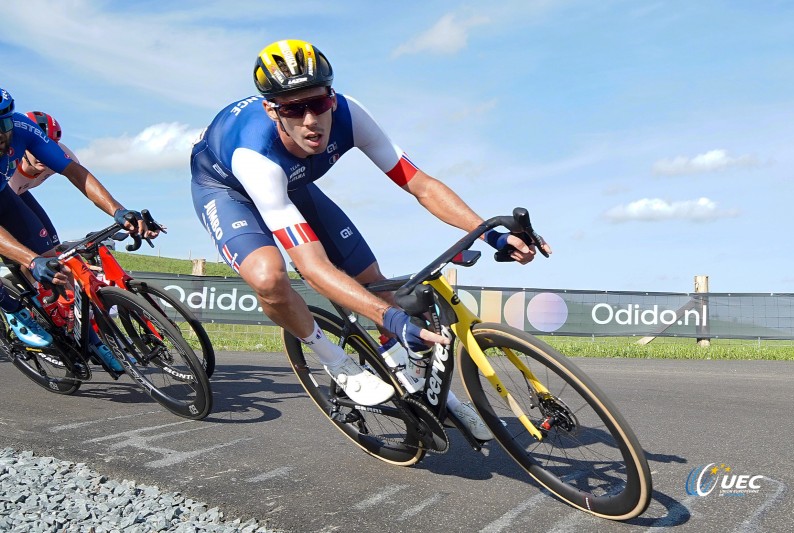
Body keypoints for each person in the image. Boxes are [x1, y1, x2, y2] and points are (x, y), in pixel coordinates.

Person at [190, 39, 549, 440]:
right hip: (228, 189)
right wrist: (391, 319)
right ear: (271, 109)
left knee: (372, 280)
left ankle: (424, 386)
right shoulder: (255, 157)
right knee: (270, 277)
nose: (311, 120)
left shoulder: (350, 114)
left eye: (319, 103)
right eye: (293, 108)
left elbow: (420, 184)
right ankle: (335, 360)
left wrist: (492, 234)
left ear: (332, 97)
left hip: (296, 184)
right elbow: (312, 269)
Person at [0, 89, 157, 372]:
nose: (1, 135)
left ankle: (92, 339)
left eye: (3, 126)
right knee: (31, 260)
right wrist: (30, 260)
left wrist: (118, 210)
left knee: (53, 261)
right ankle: (12, 309)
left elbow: (76, 173)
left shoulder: (23, 128)